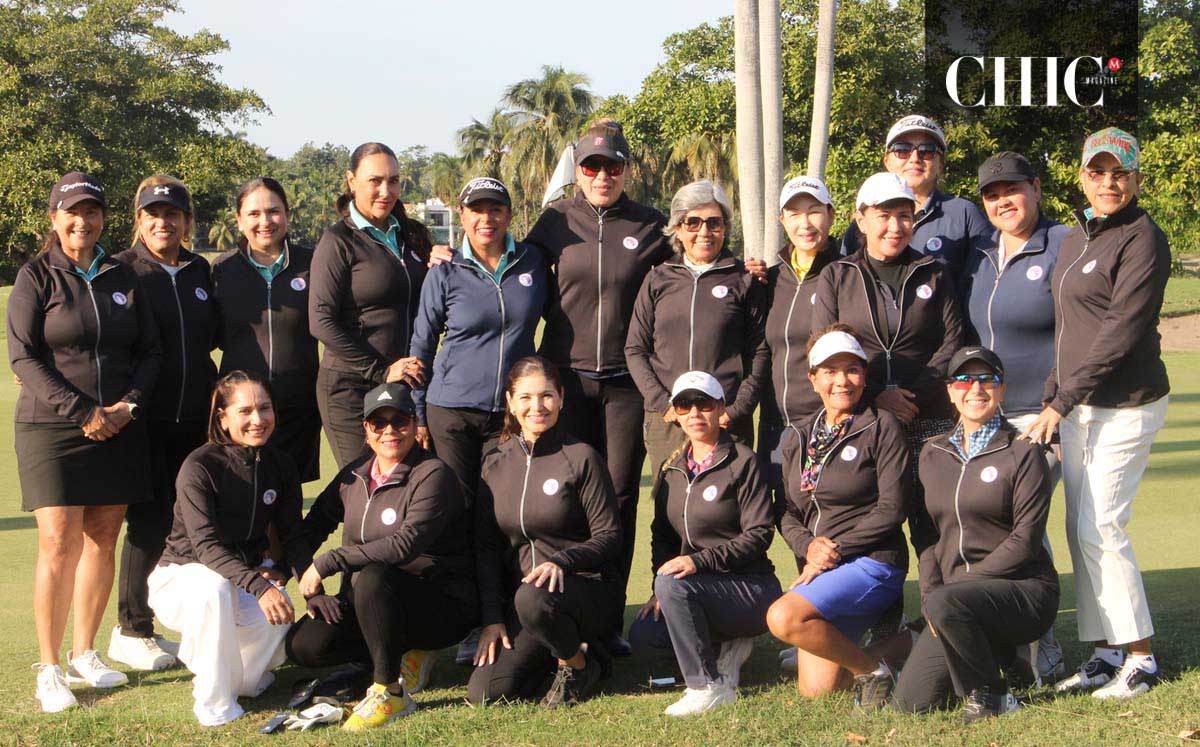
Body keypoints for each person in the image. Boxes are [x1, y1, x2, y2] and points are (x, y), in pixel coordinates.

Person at [1021, 128, 1172, 700]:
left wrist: (1060, 402)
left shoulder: (1143, 238)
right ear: (1081, 176)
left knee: (1102, 526)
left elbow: (1119, 334)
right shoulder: (1076, 238)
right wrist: (1056, 395)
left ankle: (1141, 657)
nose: (1109, 182)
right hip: (1081, 406)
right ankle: (1107, 651)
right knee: (1078, 526)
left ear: (1135, 178)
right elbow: (1070, 331)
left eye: (1120, 173)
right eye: (1098, 172)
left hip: (1126, 406)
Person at [9, 173, 160, 712]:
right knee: (58, 541)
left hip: (117, 425)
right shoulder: (36, 276)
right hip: (52, 429)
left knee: (103, 535)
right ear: (54, 218)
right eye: (72, 212)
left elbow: (150, 350)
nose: (83, 222)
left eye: (92, 212)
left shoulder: (123, 274)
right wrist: (83, 413)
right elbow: (24, 355)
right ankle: (49, 668)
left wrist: (127, 407)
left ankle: (84, 653)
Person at [525, 119, 673, 655]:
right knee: (567, 499)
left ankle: (607, 620)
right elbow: (509, 274)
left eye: (612, 166)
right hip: (565, 383)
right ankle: (561, 607)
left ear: (626, 169)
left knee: (619, 497)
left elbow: (689, 278)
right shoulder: (554, 223)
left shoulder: (651, 225)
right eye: (592, 166)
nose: (602, 175)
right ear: (578, 172)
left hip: (628, 385)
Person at [286, 383, 477, 731]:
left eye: (400, 421)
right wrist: (310, 584)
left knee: (376, 575)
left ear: (415, 423)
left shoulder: (433, 474)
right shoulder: (353, 475)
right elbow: (308, 530)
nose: (390, 431)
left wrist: (330, 561)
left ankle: (390, 691)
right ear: (366, 429)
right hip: (367, 603)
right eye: (379, 423)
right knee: (305, 646)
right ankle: (386, 658)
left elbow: (404, 545)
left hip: (438, 603)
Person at [894, 347, 1058, 722]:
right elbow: (928, 536)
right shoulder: (931, 454)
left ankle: (994, 694)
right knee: (910, 704)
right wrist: (933, 592)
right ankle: (1008, 663)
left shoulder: (1022, 452)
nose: (976, 388)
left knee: (949, 606)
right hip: (955, 602)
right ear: (951, 391)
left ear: (1001, 390)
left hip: (1024, 591)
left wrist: (954, 592)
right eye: (965, 380)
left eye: (988, 379)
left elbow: (1025, 539)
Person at [961, 151, 1071, 685]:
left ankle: (1041, 648)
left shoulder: (1063, 245)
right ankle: (1014, 640)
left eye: (1013, 188)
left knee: (1027, 531)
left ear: (1036, 188)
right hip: (991, 417)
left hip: (1046, 414)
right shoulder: (980, 253)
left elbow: (1082, 330)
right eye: (991, 193)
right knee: (1004, 525)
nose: (1003, 200)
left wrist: (1055, 404)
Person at [148, 371, 309, 726]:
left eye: (264, 408)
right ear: (222, 417)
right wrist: (258, 585)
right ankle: (213, 704)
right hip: (181, 578)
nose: (258, 420)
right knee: (214, 588)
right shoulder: (200, 465)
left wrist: (302, 583)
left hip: (242, 579)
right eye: (245, 411)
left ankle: (228, 675)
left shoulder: (280, 463)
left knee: (275, 619)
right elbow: (205, 547)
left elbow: (292, 533)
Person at [765, 327, 912, 707]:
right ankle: (912, 640)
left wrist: (834, 550)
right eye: (829, 371)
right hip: (823, 566)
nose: (841, 381)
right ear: (813, 379)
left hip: (873, 562)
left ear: (864, 376)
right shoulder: (797, 435)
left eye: (851, 369)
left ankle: (873, 672)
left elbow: (892, 509)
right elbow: (787, 510)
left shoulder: (882, 426)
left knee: (783, 618)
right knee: (819, 690)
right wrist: (809, 547)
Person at [107, 176, 217, 671]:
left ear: (187, 221)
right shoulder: (121, 270)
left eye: (171, 214)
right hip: (144, 417)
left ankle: (167, 623)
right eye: (151, 213)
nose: (162, 222)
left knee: (188, 522)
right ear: (138, 219)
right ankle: (130, 629)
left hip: (198, 416)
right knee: (148, 522)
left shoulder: (198, 271)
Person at [468, 357, 621, 708]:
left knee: (533, 596)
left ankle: (580, 665)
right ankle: (565, 652)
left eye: (546, 396)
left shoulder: (581, 457)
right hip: (528, 604)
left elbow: (609, 535)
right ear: (510, 402)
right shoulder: (493, 463)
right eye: (525, 397)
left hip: (584, 589)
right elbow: (487, 548)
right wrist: (492, 620)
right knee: (485, 694)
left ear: (562, 398)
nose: (536, 407)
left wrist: (562, 562)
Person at [627, 371, 779, 716]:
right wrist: (658, 590)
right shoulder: (672, 469)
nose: (694, 413)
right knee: (645, 637)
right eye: (684, 405)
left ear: (720, 408)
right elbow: (662, 537)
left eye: (704, 403)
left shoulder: (743, 461)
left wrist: (699, 562)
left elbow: (759, 534)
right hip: (697, 589)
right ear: (675, 413)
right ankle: (727, 645)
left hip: (750, 588)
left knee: (675, 587)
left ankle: (706, 685)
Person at [410, 176, 548, 505]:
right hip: (451, 410)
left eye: (495, 210)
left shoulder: (533, 262)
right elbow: (422, 345)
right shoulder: (444, 270)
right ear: (462, 214)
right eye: (476, 210)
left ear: (509, 215)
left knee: (500, 507)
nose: (486, 219)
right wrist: (417, 414)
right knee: (457, 506)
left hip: (510, 411)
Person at [813, 172, 964, 461]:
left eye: (904, 216)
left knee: (930, 504)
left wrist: (911, 398)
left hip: (929, 416)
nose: (895, 227)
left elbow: (952, 341)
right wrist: (876, 394)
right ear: (861, 220)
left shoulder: (934, 272)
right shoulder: (837, 275)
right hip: (863, 417)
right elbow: (825, 347)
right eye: (884, 215)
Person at [625, 180, 769, 477]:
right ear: (677, 227)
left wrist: (738, 408)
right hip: (670, 421)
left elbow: (759, 351)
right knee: (671, 513)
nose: (704, 232)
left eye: (714, 223)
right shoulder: (658, 279)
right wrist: (662, 404)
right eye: (693, 222)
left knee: (728, 510)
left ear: (726, 227)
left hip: (724, 418)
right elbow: (636, 349)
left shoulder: (743, 279)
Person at [310, 142, 430, 469]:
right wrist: (380, 370)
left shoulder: (412, 236)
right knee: (364, 483)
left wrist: (444, 261)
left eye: (393, 181)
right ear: (352, 181)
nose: (385, 190)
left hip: (404, 384)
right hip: (351, 388)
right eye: (374, 181)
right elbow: (321, 321)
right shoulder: (338, 241)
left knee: (402, 481)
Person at [212, 176, 321, 483]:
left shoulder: (314, 263)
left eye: (273, 211)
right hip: (241, 413)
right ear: (238, 219)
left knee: (288, 509)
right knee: (242, 502)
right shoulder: (222, 270)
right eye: (253, 214)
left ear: (287, 214)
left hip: (298, 410)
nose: (265, 222)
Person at [759, 176, 840, 508]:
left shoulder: (844, 272)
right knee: (784, 513)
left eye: (814, 211)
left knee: (823, 515)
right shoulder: (772, 279)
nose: (804, 223)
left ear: (831, 215)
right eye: (794, 213)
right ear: (782, 221)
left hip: (825, 423)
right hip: (775, 426)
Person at [841, 115, 991, 282]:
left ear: (940, 163)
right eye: (902, 150)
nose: (914, 158)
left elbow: (988, 282)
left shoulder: (964, 214)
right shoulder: (864, 222)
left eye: (927, 151)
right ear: (887, 161)